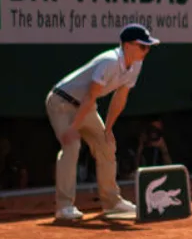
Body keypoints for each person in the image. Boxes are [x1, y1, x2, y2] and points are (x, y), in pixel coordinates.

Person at [45, 24, 157, 222]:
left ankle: (112, 203)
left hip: (85, 106)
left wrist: (108, 128)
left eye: (148, 47)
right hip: (61, 102)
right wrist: (73, 128)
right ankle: (64, 207)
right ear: (127, 45)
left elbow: (120, 97)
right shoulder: (110, 62)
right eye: (143, 46)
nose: (146, 51)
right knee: (72, 145)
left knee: (106, 144)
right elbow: (90, 96)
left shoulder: (137, 65)